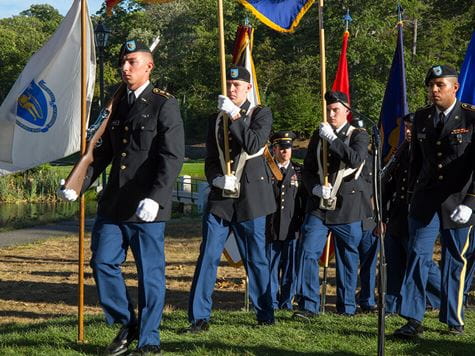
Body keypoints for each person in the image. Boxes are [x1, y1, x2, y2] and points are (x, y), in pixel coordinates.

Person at [58, 39, 184, 355]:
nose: (125, 68)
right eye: (123, 63)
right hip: (115, 202)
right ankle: (128, 323)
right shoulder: (116, 103)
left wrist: (156, 196)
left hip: (147, 206)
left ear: (149, 66)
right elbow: (101, 154)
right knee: (102, 261)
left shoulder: (163, 104)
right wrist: (78, 183)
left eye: (132, 62)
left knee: (150, 274)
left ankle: (149, 340)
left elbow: (172, 156)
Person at [186, 65, 276, 331]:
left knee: (256, 258)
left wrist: (235, 115)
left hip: (251, 197)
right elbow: (211, 158)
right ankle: (199, 317)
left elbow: (252, 143)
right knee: (208, 256)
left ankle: (265, 313)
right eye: (228, 84)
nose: (232, 89)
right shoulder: (216, 118)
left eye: (237, 85)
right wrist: (215, 178)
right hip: (221, 199)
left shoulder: (261, 114)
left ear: (249, 88)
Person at [394, 65, 475, 337]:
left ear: (455, 87)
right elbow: (415, 161)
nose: (434, 90)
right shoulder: (421, 117)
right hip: (425, 199)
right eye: (431, 85)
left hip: (458, 201)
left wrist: (471, 203)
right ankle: (412, 318)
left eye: (440, 85)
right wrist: (410, 198)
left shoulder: (471, 117)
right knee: (417, 255)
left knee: (455, 260)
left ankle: (454, 320)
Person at [294, 90, 369, 318]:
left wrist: (333, 139)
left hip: (347, 206)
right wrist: (314, 187)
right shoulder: (319, 136)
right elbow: (307, 169)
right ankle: (309, 305)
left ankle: (346, 307)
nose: (331, 113)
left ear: (347, 111)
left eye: (335, 110)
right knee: (307, 252)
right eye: (328, 110)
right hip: (319, 207)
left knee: (347, 258)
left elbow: (355, 159)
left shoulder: (358, 134)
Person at [382, 113, 440, 315]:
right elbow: (389, 184)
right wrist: (382, 216)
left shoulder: (426, 152)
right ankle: (391, 305)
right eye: (406, 128)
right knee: (394, 260)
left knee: (420, 260)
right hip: (397, 213)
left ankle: (446, 296)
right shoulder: (402, 150)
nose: (407, 132)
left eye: (411, 128)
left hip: (416, 212)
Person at [266, 131, 306, 310]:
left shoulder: (299, 171)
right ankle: (272, 302)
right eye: (281, 148)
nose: (285, 152)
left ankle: (286, 302)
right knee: (271, 268)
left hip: (292, 228)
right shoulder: (266, 170)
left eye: (288, 148)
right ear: (273, 149)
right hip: (271, 228)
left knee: (291, 269)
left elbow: (303, 201)